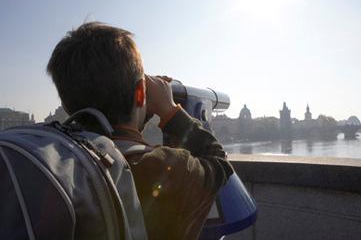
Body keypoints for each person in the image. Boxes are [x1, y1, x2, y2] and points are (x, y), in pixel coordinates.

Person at [46, 22, 234, 240]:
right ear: (140, 93)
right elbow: (219, 162)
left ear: (67, 103)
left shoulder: (59, 163)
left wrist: (139, 107)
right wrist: (169, 110)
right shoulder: (162, 167)